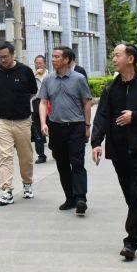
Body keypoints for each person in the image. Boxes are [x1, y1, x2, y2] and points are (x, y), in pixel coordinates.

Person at [91, 42, 137, 261]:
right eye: (113, 55)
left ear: (130, 59)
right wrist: (96, 142)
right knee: (132, 198)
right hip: (119, 151)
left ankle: (130, 241)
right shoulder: (111, 88)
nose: (113, 59)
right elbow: (102, 116)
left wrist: (135, 116)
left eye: (117, 55)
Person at [38, 46, 93, 215]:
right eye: (53, 56)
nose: (53, 59)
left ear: (66, 60)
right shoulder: (48, 80)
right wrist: (43, 123)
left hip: (76, 126)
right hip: (56, 127)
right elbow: (43, 102)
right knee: (62, 164)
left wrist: (87, 126)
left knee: (77, 162)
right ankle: (70, 198)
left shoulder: (78, 79)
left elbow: (87, 102)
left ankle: (81, 198)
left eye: (57, 57)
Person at [0, 41, 38, 206]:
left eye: (5, 57)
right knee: (4, 156)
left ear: (13, 55)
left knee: (26, 157)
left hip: (22, 121)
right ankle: (7, 191)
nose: (2, 60)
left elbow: (33, 91)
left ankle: (27, 184)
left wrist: (18, 102)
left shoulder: (25, 71)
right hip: (2, 121)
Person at [30, 54, 49, 164]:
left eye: (40, 63)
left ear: (45, 64)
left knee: (53, 130)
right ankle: (41, 155)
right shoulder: (31, 75)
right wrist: (34, 75)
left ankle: (55, 149)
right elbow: (26, 88)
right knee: (37, 132)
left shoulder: (50, 76)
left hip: (49, 105)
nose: (38, 65)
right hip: (35, 105)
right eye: (36, 63)